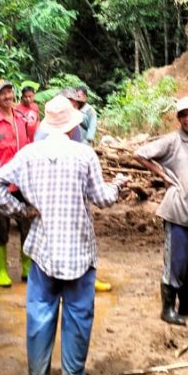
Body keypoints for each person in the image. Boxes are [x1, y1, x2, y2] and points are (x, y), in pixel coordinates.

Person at [0, 95, 127, 375]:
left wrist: (22, 211)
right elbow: (101, 198)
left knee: (39, 311)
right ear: (72, 127)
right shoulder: (84, 154)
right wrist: (118, 185)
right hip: (78, 249)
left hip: (43, 248)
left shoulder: (28, 154)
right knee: (78, 313)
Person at [135, 96, 188, 325]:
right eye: (183, 115)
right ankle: (168, 309)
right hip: (177, 211)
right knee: (175, 263)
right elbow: (140, 154)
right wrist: (162, 175)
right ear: (178, 118)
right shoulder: (172, 141)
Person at [35, 88, 113, 293]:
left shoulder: (74, 126)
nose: (76, 104)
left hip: (73, 188)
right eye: (72, 101)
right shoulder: (45, 131)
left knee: (77, 232)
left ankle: (84, 274)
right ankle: (66, 279)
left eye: (77, 102)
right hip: (54, 189)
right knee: (59, 234)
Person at [0, 79, 36, 287]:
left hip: (24, 183)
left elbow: (30, 148)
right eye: (2, 93)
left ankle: (27, 267)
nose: (7, 96)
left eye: (10, 92)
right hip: (0, 184)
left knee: (28, 225)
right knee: (0, 228)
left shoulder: (22, 117)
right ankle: (1, 270)